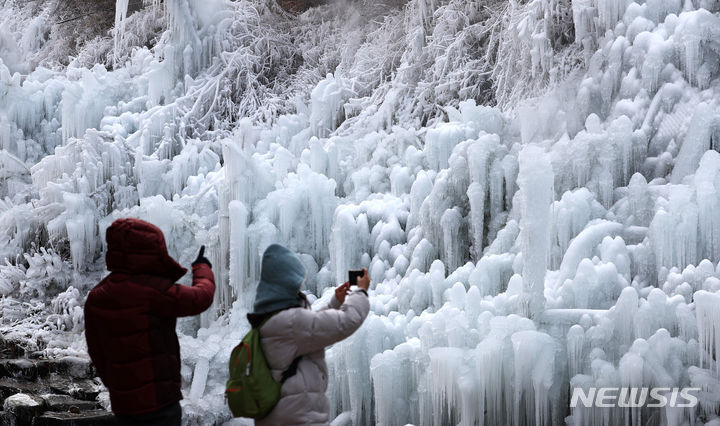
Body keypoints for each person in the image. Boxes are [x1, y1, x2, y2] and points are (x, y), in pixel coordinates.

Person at [84, 218, 216, 426]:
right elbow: (200, 298)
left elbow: (96, 351)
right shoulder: (153, 291)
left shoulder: (98, 295)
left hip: (124, 404)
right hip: (160, 402)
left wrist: (117, 387)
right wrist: (202, 269)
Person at [248, 244, 370, 426]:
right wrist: (361, 291)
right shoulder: (292, 321)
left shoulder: (269, 318)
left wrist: (334, 303)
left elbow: (307, 329)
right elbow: (347, 320)